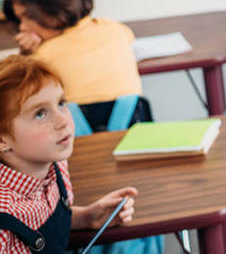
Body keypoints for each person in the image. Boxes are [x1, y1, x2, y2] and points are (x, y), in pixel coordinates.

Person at [0, 55, 137, 254]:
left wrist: (87, 217)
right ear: (3, 139)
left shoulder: (56, 166)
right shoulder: (4, 217)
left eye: (61, 103)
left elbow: (40, 216)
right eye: (40, 113)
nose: (62, 121)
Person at [2, 0, 145, 131]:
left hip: (76, 138)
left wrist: (27, 51)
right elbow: (129, 38)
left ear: (52, 9)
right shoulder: (115, 29)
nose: (22, 27)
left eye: (26, 17)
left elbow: (23, 80)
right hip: (136, 124)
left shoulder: (43, 54)